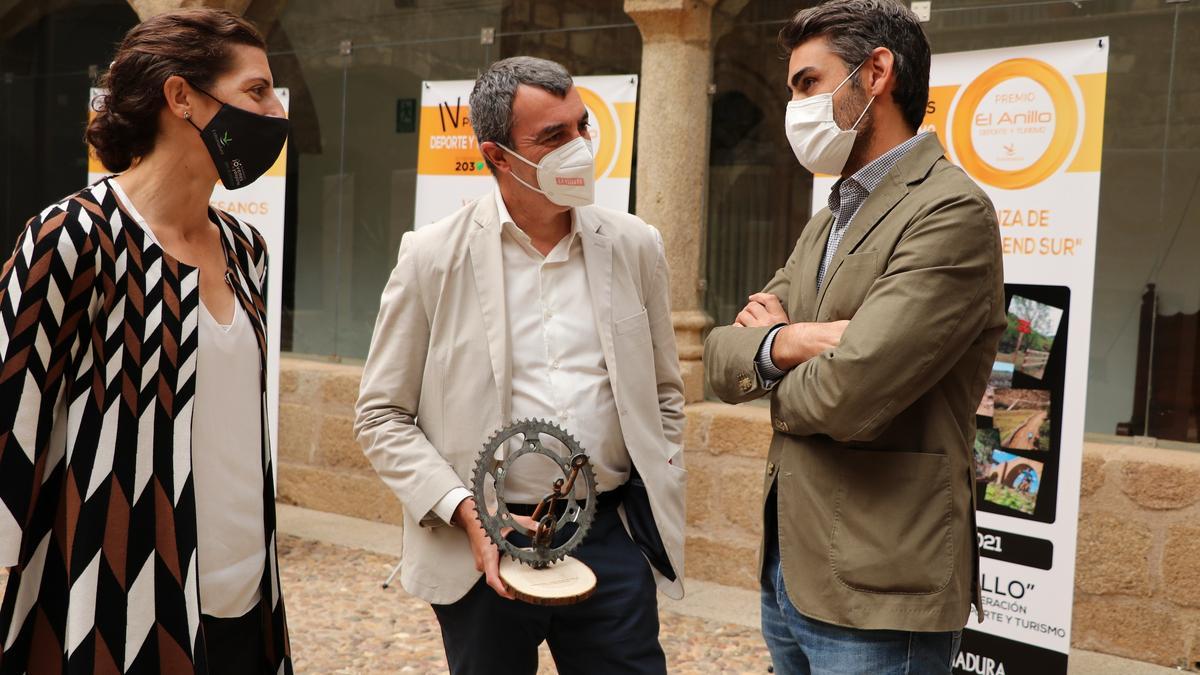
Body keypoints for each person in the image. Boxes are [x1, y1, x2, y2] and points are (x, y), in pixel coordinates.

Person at [355, 56, 686, 675]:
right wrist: (467, 513)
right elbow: (381, 415)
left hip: (610, 537)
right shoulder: (431, 257)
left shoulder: (636, 245)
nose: (581, 148)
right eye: (553, 137)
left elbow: (665, 393)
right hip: (481, 542)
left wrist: (653, 502)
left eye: (583, 126)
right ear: (497, 157)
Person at [704, 1, 1005, 673]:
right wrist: (796, 341)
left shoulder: (949, 211)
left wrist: (774, 352)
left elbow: (851, 395)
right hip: (791, 572)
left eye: (807, 83)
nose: (794, 104)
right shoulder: (829, 216)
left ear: (876, 73)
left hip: (880, 594)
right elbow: (721, 362)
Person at [0, 9, 292, 674]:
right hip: (116, 607)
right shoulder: (69, 237)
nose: (276, 112)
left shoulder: (248, 251)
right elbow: (8, 417)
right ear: (181, 96)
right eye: (256, 92)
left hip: (247, 600)